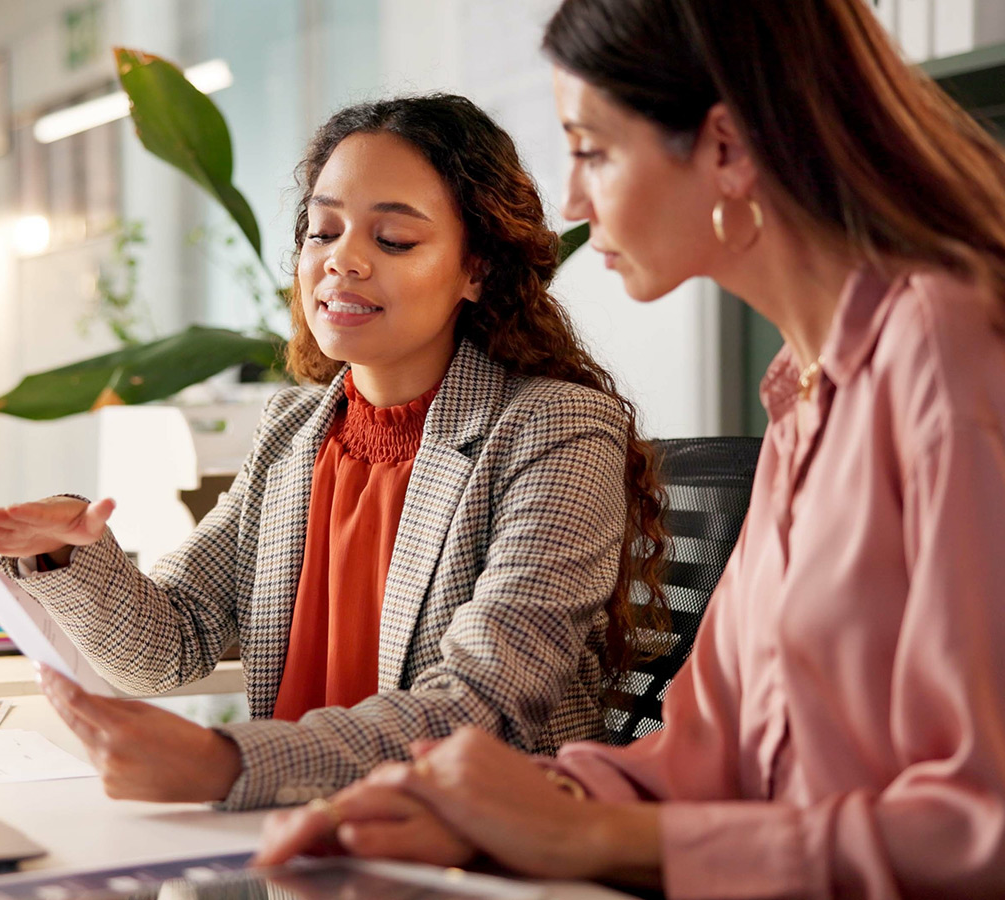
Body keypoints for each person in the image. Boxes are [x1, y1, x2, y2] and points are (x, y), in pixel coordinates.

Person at [255, 1, 1005, 896]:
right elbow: (706, 750)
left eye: (592, 149)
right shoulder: (806, 393)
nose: (570, 201)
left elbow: (981, 827)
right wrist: (509, 803)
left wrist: (596, 840)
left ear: (725, 149)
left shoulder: (946, 351)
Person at [0, 93, 666, 812]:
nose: (342, 261)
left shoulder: (555, 427)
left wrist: (223, 764)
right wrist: (67, 551)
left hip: (470, 853)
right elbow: (172, 643)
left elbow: (481, 704)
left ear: (476, 269)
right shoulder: (293, 430)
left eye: (393, 240)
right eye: (323, 231)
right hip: (299, 844)